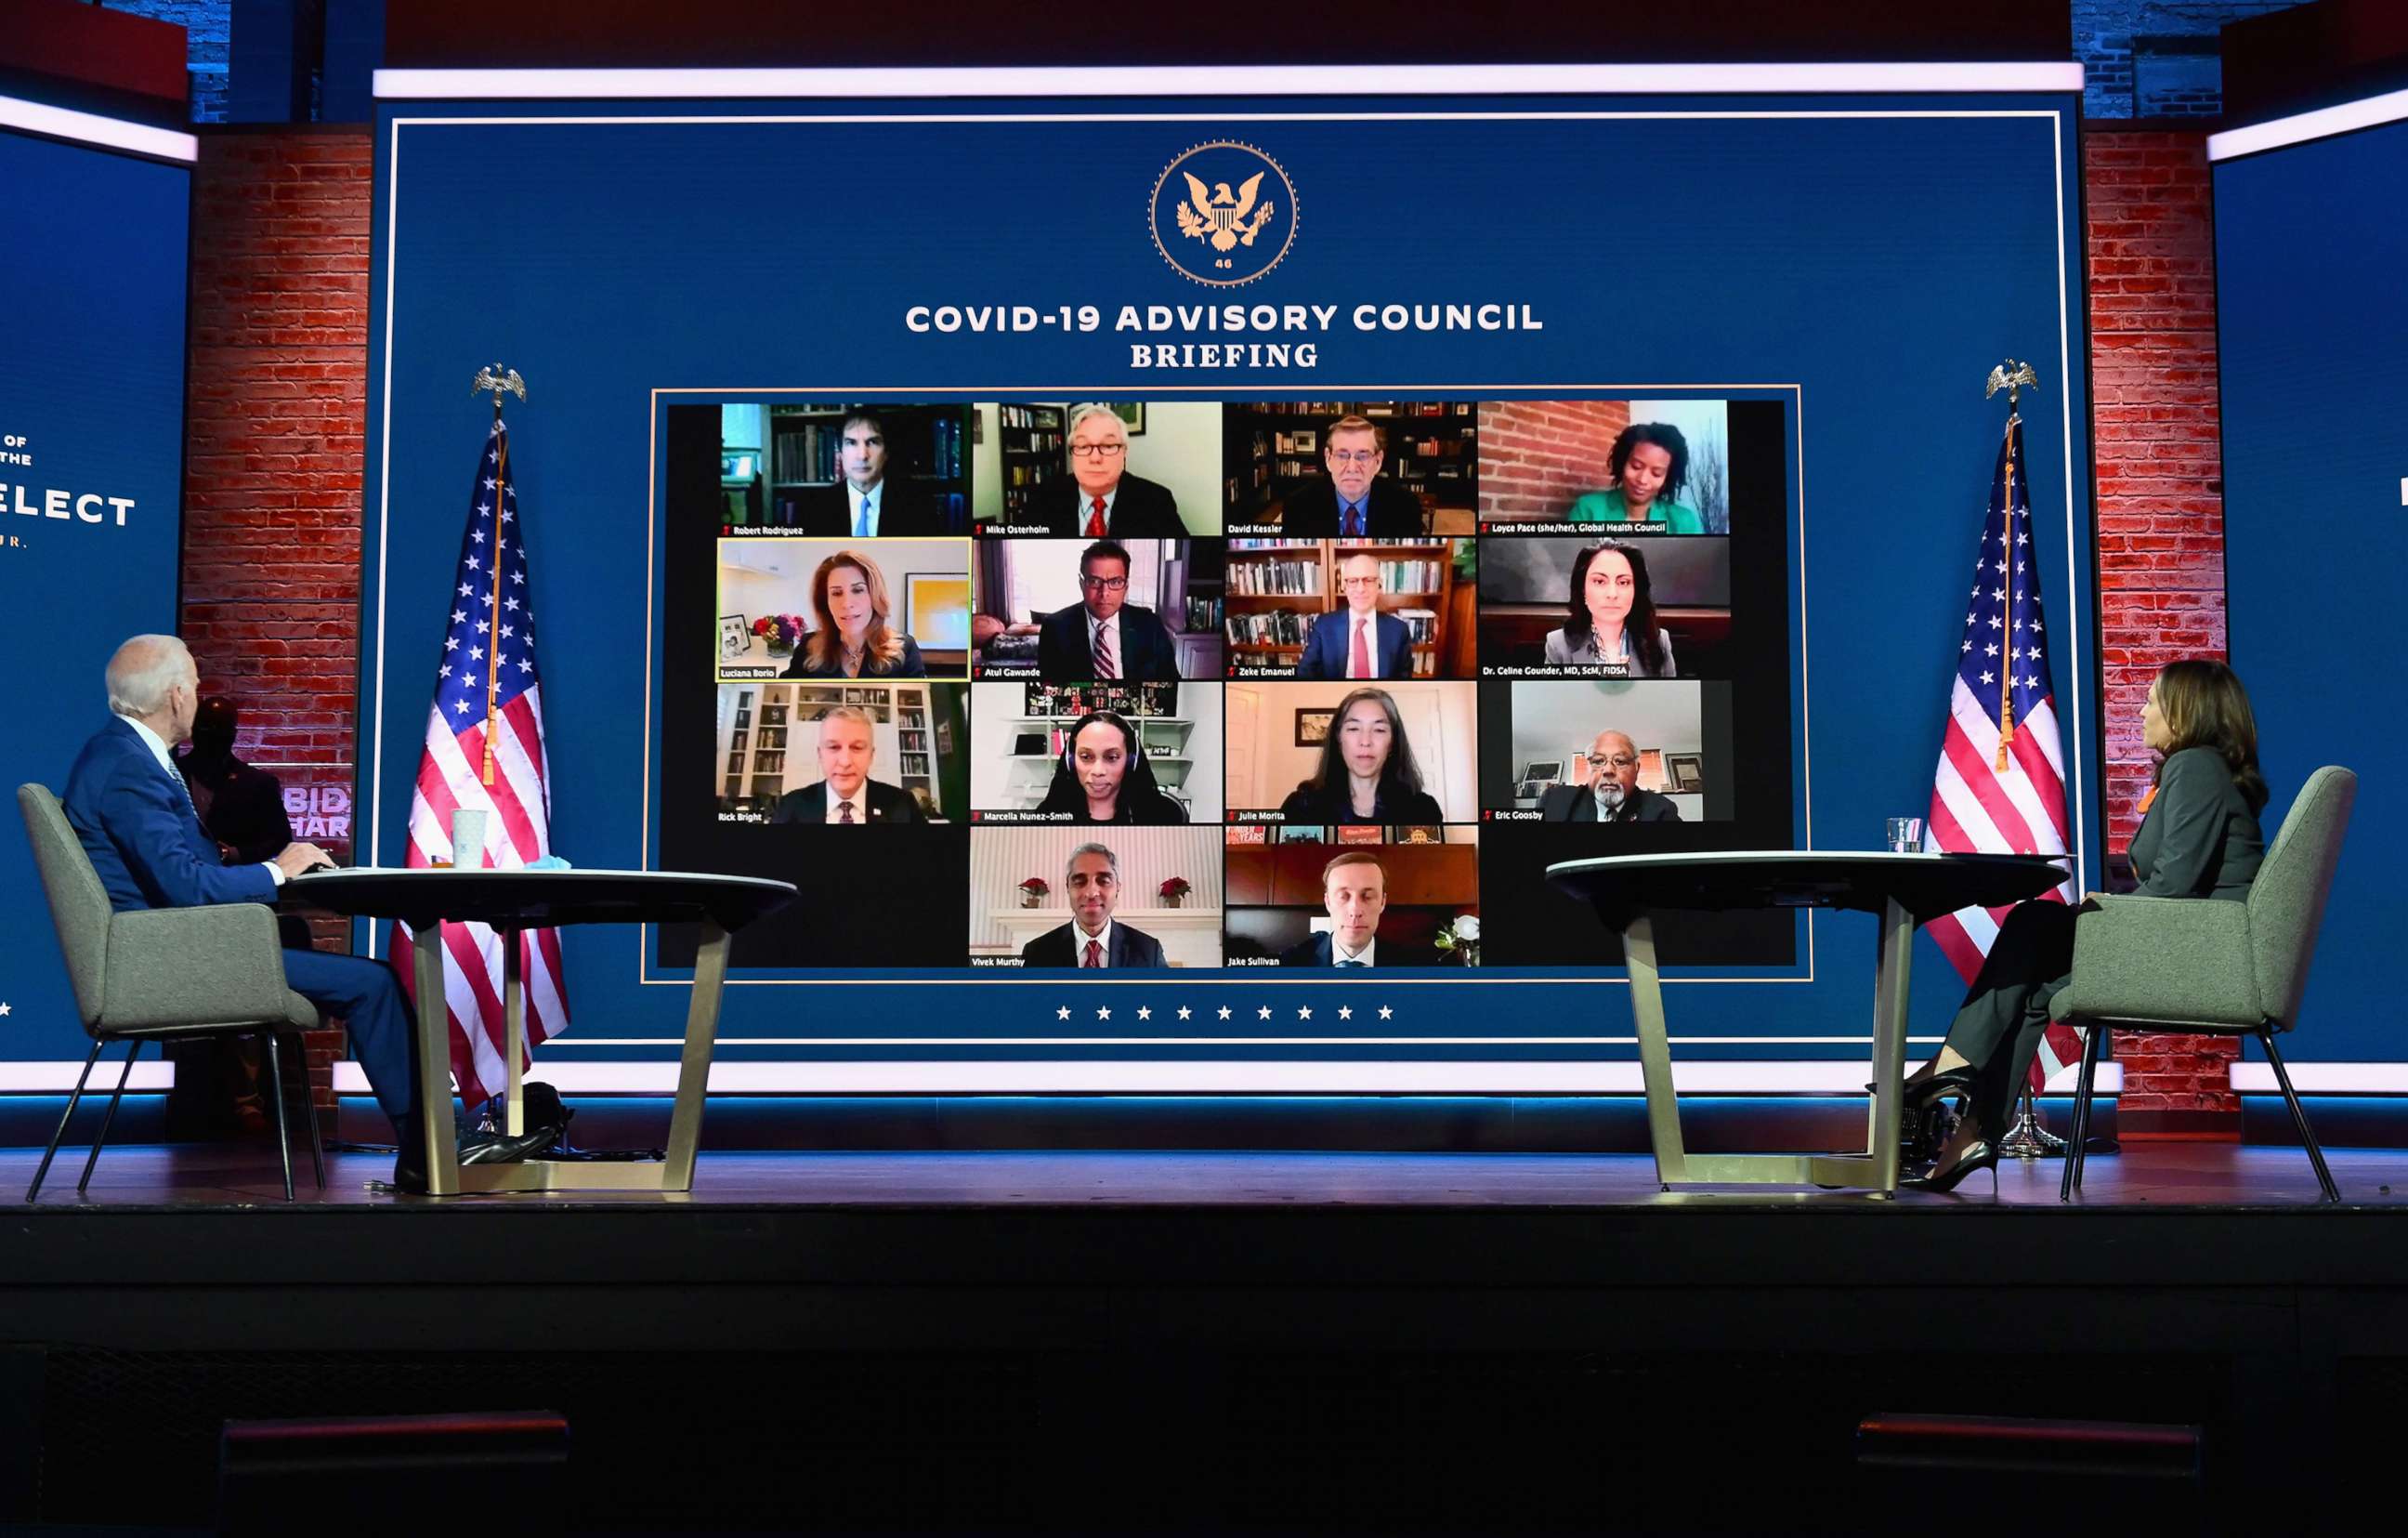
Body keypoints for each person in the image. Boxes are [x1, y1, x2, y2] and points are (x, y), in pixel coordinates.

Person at [60, 637, 550, 1190]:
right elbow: (185, 886)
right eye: (196, 686)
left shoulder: (123, 755)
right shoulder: (128, 767)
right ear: (176, 696)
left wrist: (281, 872)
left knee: (348, 967)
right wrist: (279, 870)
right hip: (172, 957)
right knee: (374, 984)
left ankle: (429, 1147)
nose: (198, 697)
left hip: (183, 943)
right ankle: (432, 1147)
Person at [1903, 659, 2269, 1194]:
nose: (2143, 711)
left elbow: (2171, 889)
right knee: (2035, 973)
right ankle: (1975, 1130)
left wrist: (2109, 913)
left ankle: (1951, 1071)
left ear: (2188, 711)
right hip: (2194, 942)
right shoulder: (2203, 771)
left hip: (2201, 955)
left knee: (2033, 922)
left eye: (2153, 701)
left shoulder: (2196, 766)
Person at [1276, 687, 1445, 825]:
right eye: (1353, 728)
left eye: (1379, 730)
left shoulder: (1423, 809)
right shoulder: (1299, 807)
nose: (1365, 741)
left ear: (1393, 741)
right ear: (1339, 738)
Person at [1027, 404, 1185, 537]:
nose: (1095, 458)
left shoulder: (1157, 501)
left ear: (1124, 452)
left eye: (1108, 446)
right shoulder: (1043, 497)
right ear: (1072, 453)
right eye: (1083, 446)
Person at [1036, 540, 1182, 681]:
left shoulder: (1151, 624)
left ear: (1126, 586)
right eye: (1094, 581)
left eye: (1116, 582)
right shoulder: (1054, 628)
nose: (1104, 592)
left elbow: (1170, 681)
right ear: (1081, 584)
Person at [787, 411, 941, 536]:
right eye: (851, 443)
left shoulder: (919, 506)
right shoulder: (811, 509)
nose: (862, 455)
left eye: (872, 442)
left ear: (886, 453)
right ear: (840, 453)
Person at [1019, 843, 1169, 968]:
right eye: (1079, 881)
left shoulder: (1149, 951)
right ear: (1068, 888)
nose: (1091, 893)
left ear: (1118, 888)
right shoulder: (1035, 953)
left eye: (1103, 881)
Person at [782, 550, 927, 678]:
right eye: (837, 593)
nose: (846, 604)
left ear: (874, 596)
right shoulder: (808, 647)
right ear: (825, 602)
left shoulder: (905, 648)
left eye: (858, 590)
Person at [770, 705, 926, 823]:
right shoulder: (789, 806)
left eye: (857, 748)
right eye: (833, 747)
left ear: (871, 755)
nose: (845, 761)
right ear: (820, 754)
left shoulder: (904, 804)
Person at [1278, 415, 1424, 537]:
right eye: (1342, 455)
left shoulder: (1406, 506)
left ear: (1378, 461)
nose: (1352, 468)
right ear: (1328, 459)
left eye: (1363, 456)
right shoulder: (1297, 506)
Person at [1543, 541, 1677, 675]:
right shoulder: (1558, 645)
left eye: (1623, 582)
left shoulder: (1659, 641)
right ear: (1583, 589)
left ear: (1636, 590)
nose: (1612, 594)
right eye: (1600, 581)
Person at [1031, 711, 1188, 824]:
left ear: (1130, 761)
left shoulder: (1167, 815)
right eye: (1086, 757)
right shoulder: (1047, 814)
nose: (1098, 771)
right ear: (1070, 761)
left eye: (1112, 757)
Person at [1279, 851, 1433, 966]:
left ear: (1382, 902)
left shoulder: (1412, 966)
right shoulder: (1289, 963)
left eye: (1367, 897)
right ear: (1328, 902)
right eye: (1343, 896)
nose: (1355, 910)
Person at [1568, 422, 1706, 533]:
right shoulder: (1588, 510)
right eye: (1636, 466)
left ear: (1667, 478)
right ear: (1622, 462)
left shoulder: (1684, 522)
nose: (1642, 480)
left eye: (1656, 473)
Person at [1296, 552, 1414, 679]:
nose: (1360, 589)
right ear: (1344, 587)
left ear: (1379, 585)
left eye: (1368, 580)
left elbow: (1404, 676)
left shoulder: (1399, 630)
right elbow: (1305, 672)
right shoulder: (1323, 626)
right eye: (1353, 581)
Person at [1538, 730, 1683, 822]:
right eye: (1598, 761)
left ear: (1637, 768)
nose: (1608, 770)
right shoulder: (1554, 800)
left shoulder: (1662, 810)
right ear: (1589, 767)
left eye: (1620, 761)